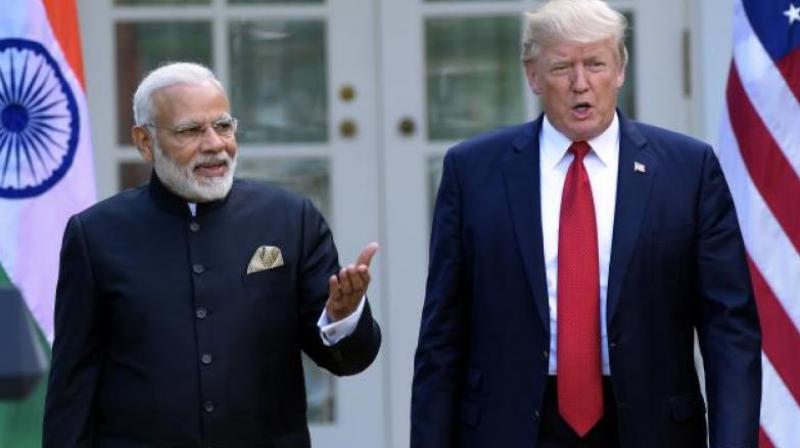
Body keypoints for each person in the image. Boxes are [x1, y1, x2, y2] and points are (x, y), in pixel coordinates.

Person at [411, 0, 761, 447]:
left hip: (650, 427)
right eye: (561, 68)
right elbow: (442, 334)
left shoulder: (688, 170)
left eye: (595, 64)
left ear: (620, 70)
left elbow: (728, 328)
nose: (581, 84)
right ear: (532, 75)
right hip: (513, 426)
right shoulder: (473, 172)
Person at [43, 62, 381, 448]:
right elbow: (73, 386)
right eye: (190, 130)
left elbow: (349, 361)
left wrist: (342, 317)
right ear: (144, 142)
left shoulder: (290, 219)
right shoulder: (95, 235)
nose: (215, 144)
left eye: (223, 126)